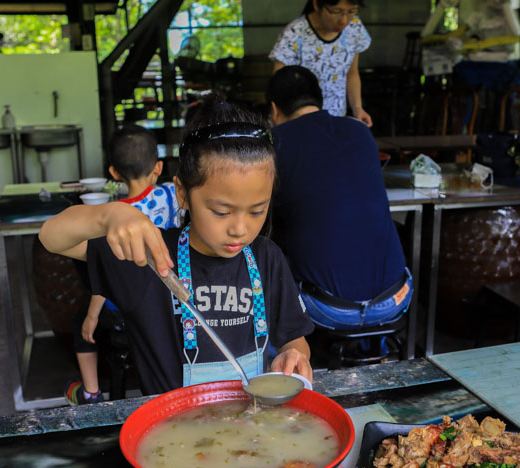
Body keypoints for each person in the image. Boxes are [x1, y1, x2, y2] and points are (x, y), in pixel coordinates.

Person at [41, 94, 314, 395]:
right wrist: (109, 214)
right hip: (172, 433)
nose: (240, 229)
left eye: (257, 211)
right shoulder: (148, 258)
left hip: (252, 425)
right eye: (221, 212)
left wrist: (295, 354)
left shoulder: (266, 258)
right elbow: (51, 237)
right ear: (182, 193)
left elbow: (294, 337)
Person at [266, 65, 412, 336]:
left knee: (266, 262)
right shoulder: (359, 132)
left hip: (326, 307)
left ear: (274, 109)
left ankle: (282, 367)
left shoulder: (275, 144)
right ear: (319, 100)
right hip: (396, 298)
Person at [65, 125, 183, 405]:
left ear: (114, 173)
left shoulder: (116, 220)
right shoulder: (171, 193)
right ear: (158, 167)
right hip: (172, 295)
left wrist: (92, 316)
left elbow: (106, 277)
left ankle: (91, 392)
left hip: (128, 305)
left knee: (80, 323)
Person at [269, 0, 372, 127]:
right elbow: (279, 83)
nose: (344, 20)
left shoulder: (354, 28)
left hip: (335, 118)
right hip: (300, 121)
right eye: (336, 12)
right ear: (317, 4)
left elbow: (351, 73)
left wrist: (357, 109)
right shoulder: (294, 34)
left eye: (351, 11)